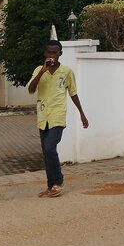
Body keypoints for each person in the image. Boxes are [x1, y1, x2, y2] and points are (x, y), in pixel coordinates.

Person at [27, 39, 88, 198]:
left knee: (49, 148)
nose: (51, 55)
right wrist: (41, 72)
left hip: (58, 116)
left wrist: (82, 114)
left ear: (60, 54)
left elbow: (73, 93)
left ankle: (58, 181)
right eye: (49, 52)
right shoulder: (39, 70)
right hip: (43, 116)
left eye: (55, 52)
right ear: (45, 53)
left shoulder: (67, 72)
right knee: (46, 152)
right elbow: (31, 89)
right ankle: (50, 186)